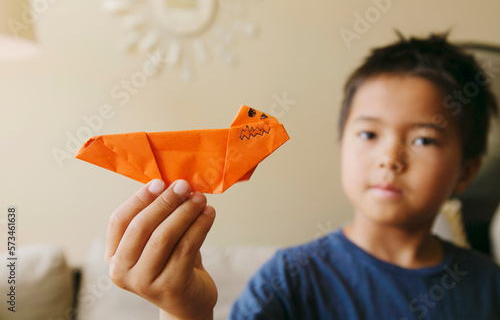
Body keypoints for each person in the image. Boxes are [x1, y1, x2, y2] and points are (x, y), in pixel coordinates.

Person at [103, 33, 500, 320]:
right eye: (369, 134)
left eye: (424, 139)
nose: (390, 158)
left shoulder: (489, 285)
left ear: (466, 172)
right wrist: (185, 310)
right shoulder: (291, 277)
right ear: (342, 144)